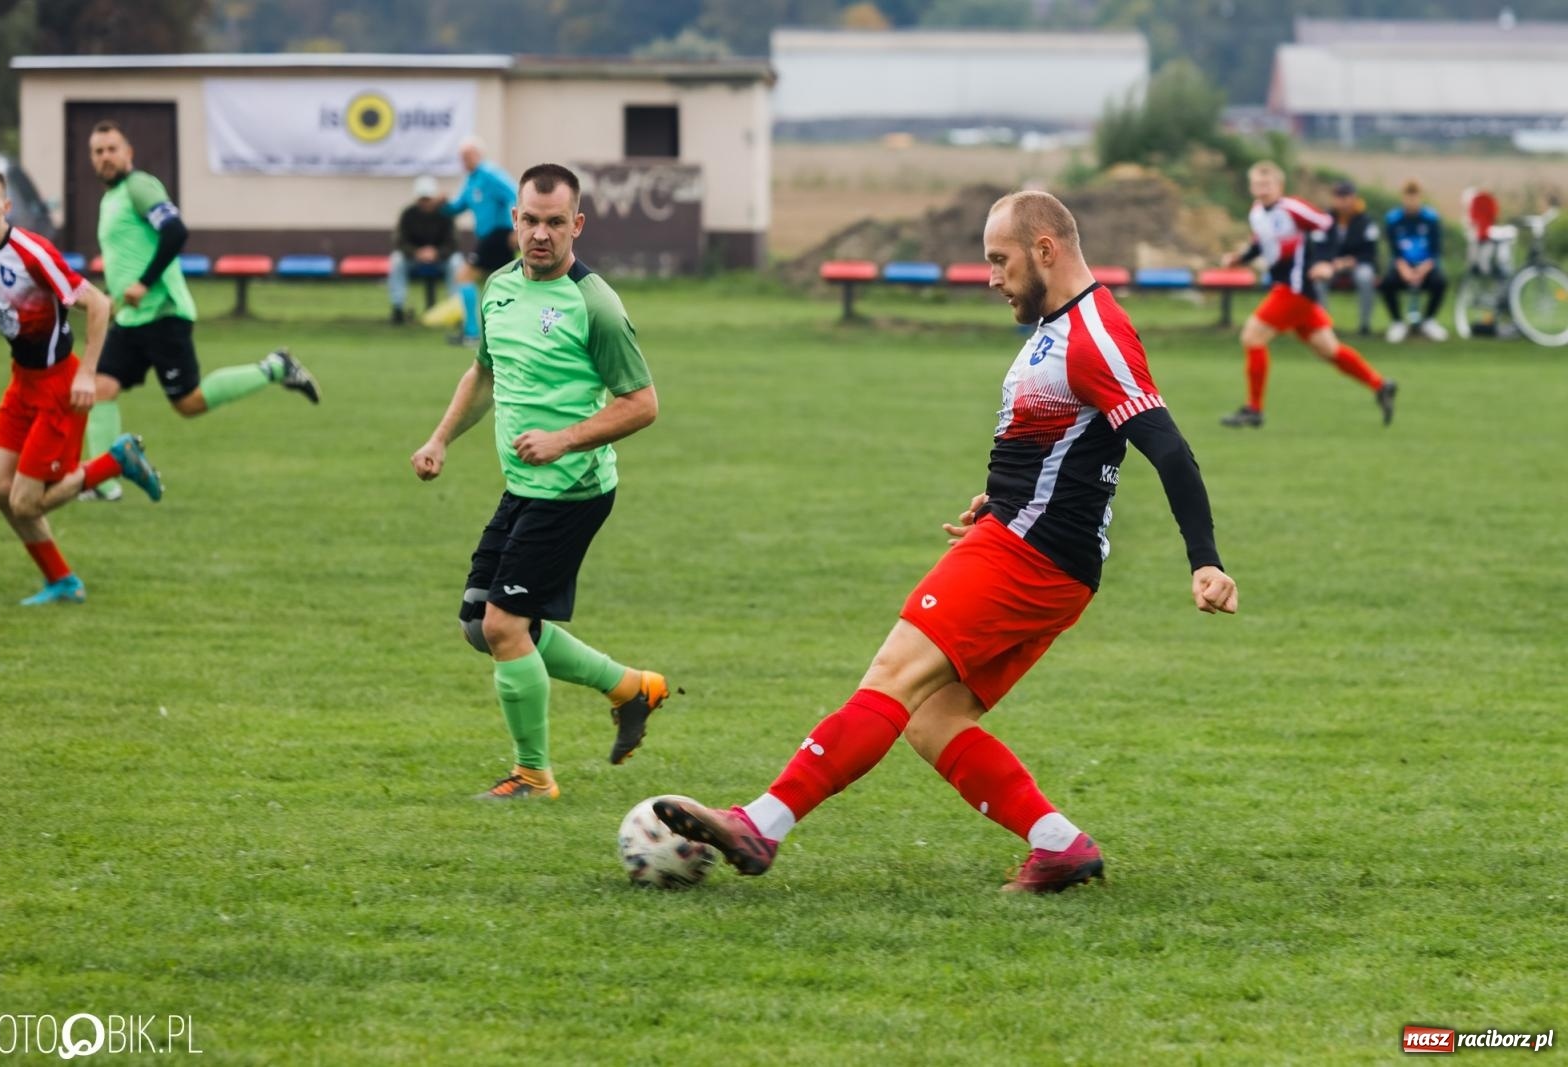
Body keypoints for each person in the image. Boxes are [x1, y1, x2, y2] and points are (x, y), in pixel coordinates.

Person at [651, 191, 1239, 893]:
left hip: (1028, 553)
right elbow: (1071, 442)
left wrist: (1205, 560)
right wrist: (1001, 497)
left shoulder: (1095, 332)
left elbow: (1167, 447)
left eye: (1000, 260)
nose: (991, 276)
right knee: (934, 717)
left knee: (892, 678)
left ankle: (761, 824)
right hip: (1037, 545)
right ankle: (1060, 845)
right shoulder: (1061, 327)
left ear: (1045, 249)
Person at [410, 163, 668, 799]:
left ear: (576, 224)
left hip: (573, 490)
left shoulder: (596, 305)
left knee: (503, 625)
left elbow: (642, 403)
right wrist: (440, 438)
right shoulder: (497, 287)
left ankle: (533, 776)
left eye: (556, 222)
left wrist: (564, 439)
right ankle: (631, 687)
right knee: (480, 622)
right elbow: (485, 374)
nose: (541, 234)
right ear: (514, 221)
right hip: (525, 487)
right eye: (530, 220)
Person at [79, 120, 320, 501]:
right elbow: (127, 257)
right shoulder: (110, 200)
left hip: (164, 313)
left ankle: (275, 366)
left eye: (112, 149)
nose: (105, 157)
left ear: (128, 153)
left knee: (188, 403)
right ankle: (101, 483)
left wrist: (144, 282)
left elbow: (175, 231)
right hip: (130, 317)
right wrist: (111, 297)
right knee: (99, 388)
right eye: (98, 151)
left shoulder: (139, 186)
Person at [0, 161, 163, 604]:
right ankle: (62, 581)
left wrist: (87, 374)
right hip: (22, 384)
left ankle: (116, 461)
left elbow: (98, 304)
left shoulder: (33, 254)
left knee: (25, 503)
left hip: (59, 387)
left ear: (7, 204)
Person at [1220, 161, 1397, 430]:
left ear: (1279, 186)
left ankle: (1253, 410)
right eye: (1257, 184)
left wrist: (1326, 261)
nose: (1262, 189)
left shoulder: (1292, 208)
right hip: (1294, 291)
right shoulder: (1257, 212)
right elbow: (1262, 242)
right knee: (1329, 350)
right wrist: (1241, 258)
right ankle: (1380, 385)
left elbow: (1327, 225)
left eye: (1267, 184)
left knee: (1252, 337)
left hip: (1295, 288)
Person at [443, 136, 518, 344]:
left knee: (464, 276)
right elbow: (458, 207)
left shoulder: (490, 174)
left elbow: (515, 193)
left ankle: (472, 333)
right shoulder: (471, 180)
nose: (464, 161)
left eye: (467, 156)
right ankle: (504, 333)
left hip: (499, 234)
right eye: (461, 157)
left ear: (478, 155)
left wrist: (516, 228)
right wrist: (442, 206)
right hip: (487, 237)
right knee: (503, 285)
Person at [1381, 179, 1449, 343]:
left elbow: (1435, 251)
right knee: (1386, 283)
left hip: (1425, 266)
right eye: (1408, 197)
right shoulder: (1393, 219)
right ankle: (1397, 322)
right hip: (1403, 267)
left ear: (1420, 197)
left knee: (1440, 281)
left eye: (1415, 197)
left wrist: (1421, 270)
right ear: (1403, 197)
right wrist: (1404, 269)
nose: (1411, 201)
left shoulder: (1431, 218)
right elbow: (1394, 251)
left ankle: (1428, 321)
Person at [388, 174, 461, 325]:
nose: (425, 203)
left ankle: (456, 309)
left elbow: (453, 242)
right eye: (422, 199)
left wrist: (437, 253)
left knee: (456, 263)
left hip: (441, 259)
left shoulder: (445, 214)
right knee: (396, 261)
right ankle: (398, 307)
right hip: (414, 259)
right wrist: (416, 252)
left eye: (428, 199)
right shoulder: (408, 214)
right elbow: (400, 241)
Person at [1328, 180, 1380, 336]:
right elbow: (1319, 247)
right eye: (1339, 196)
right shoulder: (1326, 218)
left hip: (1358, 263)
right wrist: (1332, 262)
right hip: (1333, 264)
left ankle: (1365, 326)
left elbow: (1371, 251)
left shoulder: (1365, 221)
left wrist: (1353, 261)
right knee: (1319, 277)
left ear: (1353, 198)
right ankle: (1323, 326)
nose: (1343, 200)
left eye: (1346, 196)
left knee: (1365, 277)